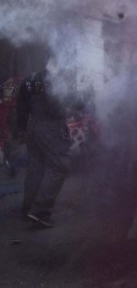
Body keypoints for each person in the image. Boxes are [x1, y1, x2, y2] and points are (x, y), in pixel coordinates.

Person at [16, 58, 76, 228]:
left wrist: (22, 128)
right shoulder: (55, 81)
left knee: (36, 167)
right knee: (60, 165)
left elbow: (22, 104)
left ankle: (28, 207)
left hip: (33, 126)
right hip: (51, 127)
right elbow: (55, 107)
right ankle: (41, 212)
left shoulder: (32, 78)